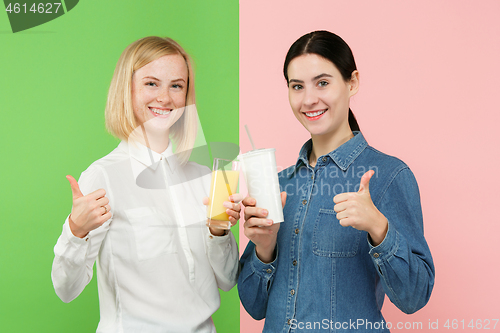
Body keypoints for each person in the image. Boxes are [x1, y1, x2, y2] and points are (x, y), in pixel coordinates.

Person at [238, 30, 435, 332]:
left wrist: (379, 228)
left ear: (352, 82)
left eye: (323, 83)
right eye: (297, 86)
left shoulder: (389, 175)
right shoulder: (278, 184)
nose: (308, 99)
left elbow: (415, 297)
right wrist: (264, 248)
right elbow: (254, 307)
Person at [51, 36, 240, 333]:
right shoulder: (103, 178)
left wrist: (218, 231)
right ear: (127, 90)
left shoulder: (204, 176)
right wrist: (76, 230)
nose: (165, 98)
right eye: (151, 83)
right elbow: (66, 289)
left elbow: (228, 280)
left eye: (176, 85)